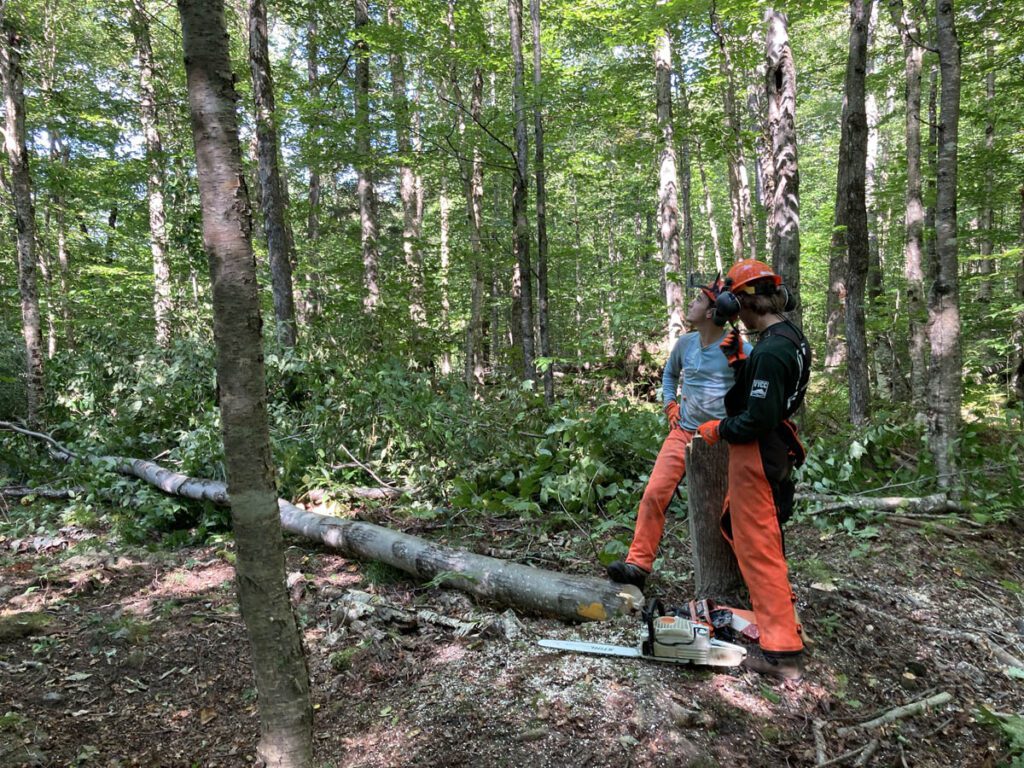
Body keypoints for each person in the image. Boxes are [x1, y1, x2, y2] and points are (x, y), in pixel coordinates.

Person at [695, 259, 812, 681]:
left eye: (734, 303)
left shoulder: (772, 350)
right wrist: (740, 363)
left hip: (757, 451)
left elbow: (757, 417)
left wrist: (718, 428)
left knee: (760, 548)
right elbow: (768, 396)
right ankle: (775, 621)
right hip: (771, 448)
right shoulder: (789, 338)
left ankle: (782, 653)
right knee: (751, 537)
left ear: (742, 301)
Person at [606, 278, 751, 592]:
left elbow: (755, 388)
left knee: (726, 510)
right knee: (654, 494)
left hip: (721, 441)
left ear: (714, 312)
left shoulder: (738, 348)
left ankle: (741, 576)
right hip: (683, 433)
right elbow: (669, 375)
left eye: (699, 301)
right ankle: (637, 565)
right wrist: (669, 403)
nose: (692, 304)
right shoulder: (685, 344)